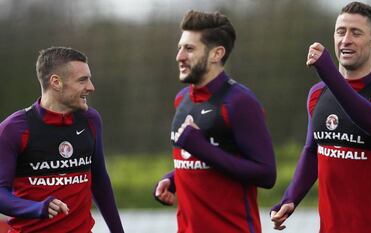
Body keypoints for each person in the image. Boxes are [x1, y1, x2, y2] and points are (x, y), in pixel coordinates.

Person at [270, 2, 371, 233]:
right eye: (340, 31)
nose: (346, 40)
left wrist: (328, 72)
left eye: (356, 33)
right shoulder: (317, 93)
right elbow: (313, 150)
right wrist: (290, 197)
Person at [153, 10, 276, 233]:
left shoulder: (240, 102)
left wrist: (202, 148)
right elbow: (199, 162)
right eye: (180, 47)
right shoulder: (182, 100)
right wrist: (172, 179)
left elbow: (266, 174)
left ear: (216, 53)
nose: (179, 56)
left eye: (189, 49)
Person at [0, 47, 124, 232]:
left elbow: (99, 181)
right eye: (83, 80)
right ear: (56, 82)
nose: (91, 87)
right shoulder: (14, 128)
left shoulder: (90, 119)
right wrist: (37, 208)